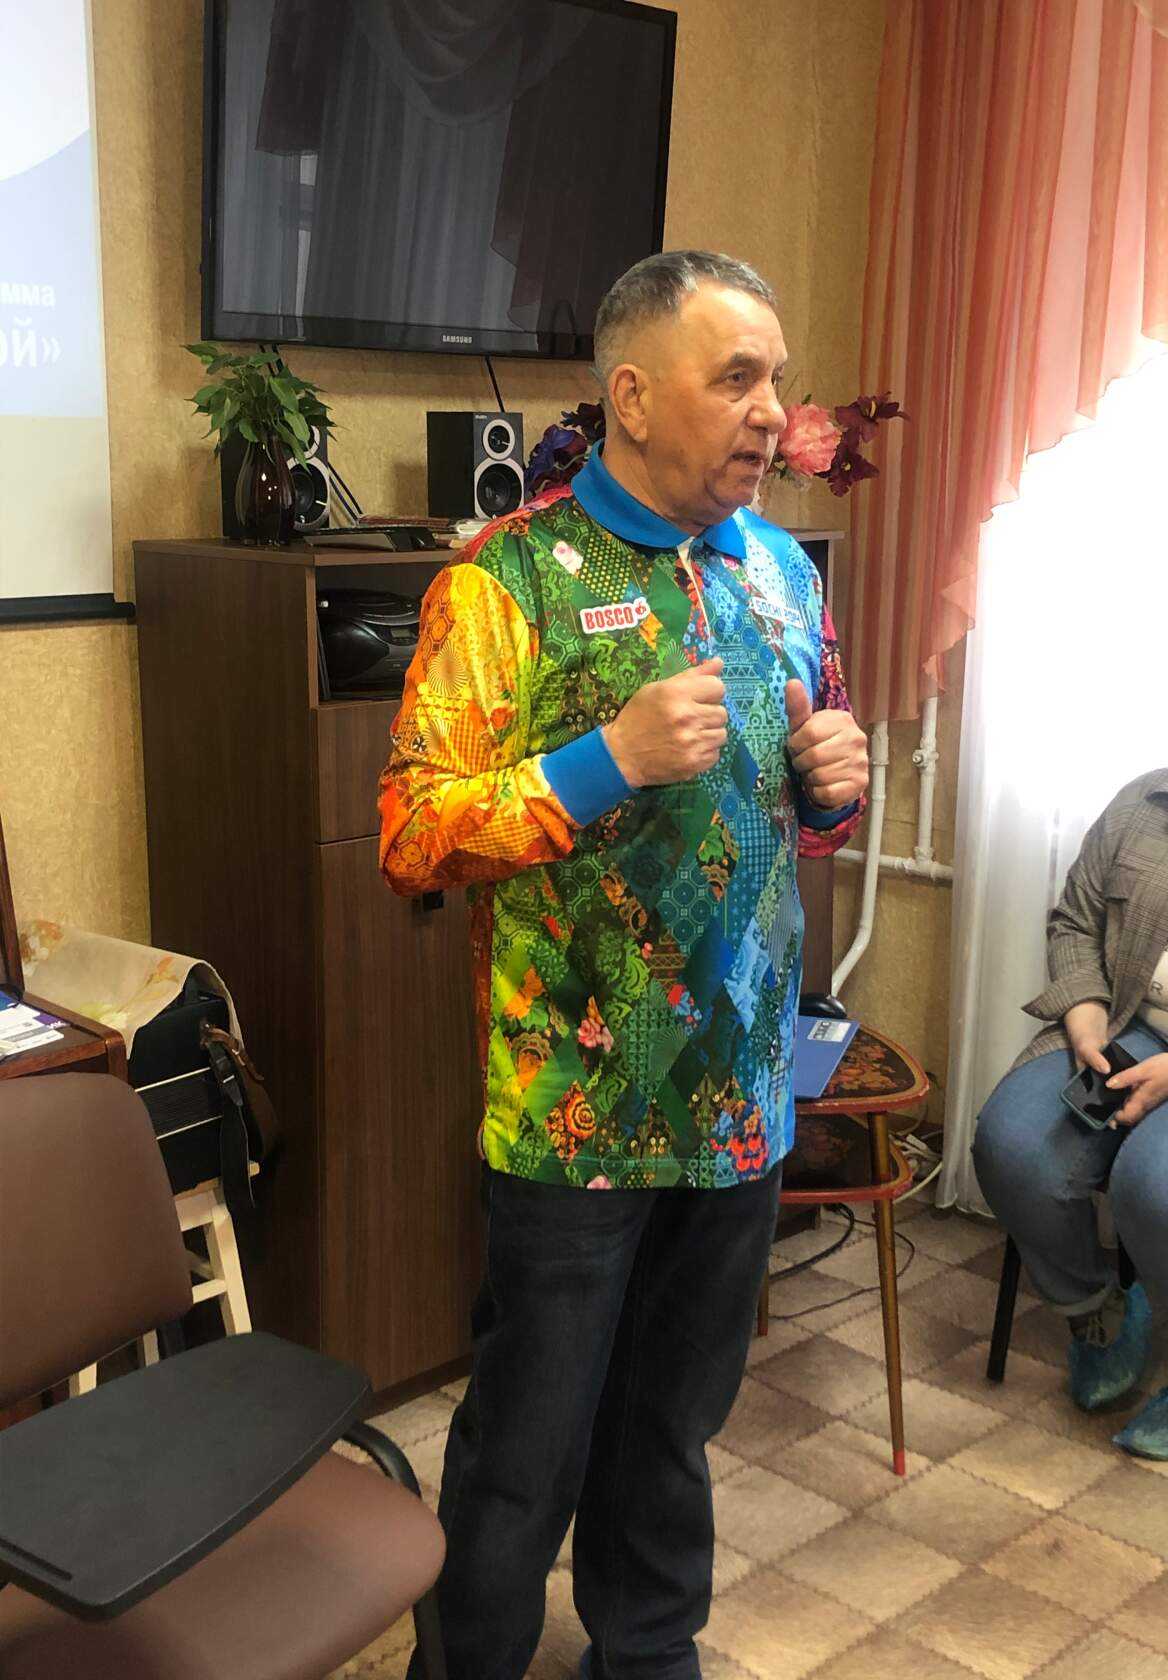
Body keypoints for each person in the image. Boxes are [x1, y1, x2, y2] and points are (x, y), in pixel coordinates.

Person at [378, 250, 868, 1680]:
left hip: (741, 1102)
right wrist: (606, 760)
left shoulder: (781, 570)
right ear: (636, 398)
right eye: (738, 379)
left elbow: (798, 814)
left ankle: (647, 1656)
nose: (773, 411)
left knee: (672, 1431)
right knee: (524, 1449)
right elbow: (412, 835)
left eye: (778, 380)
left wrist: (831, 788)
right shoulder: (507, 578)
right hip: (573, 1116)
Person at [973, 697, 1168, 1461]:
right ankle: (1096, 1310)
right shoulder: (1150, 801)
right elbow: (1076, 919)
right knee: (1010, 1144)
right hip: (1129, 1026)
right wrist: (1085, 1009)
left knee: (1160, 1187)